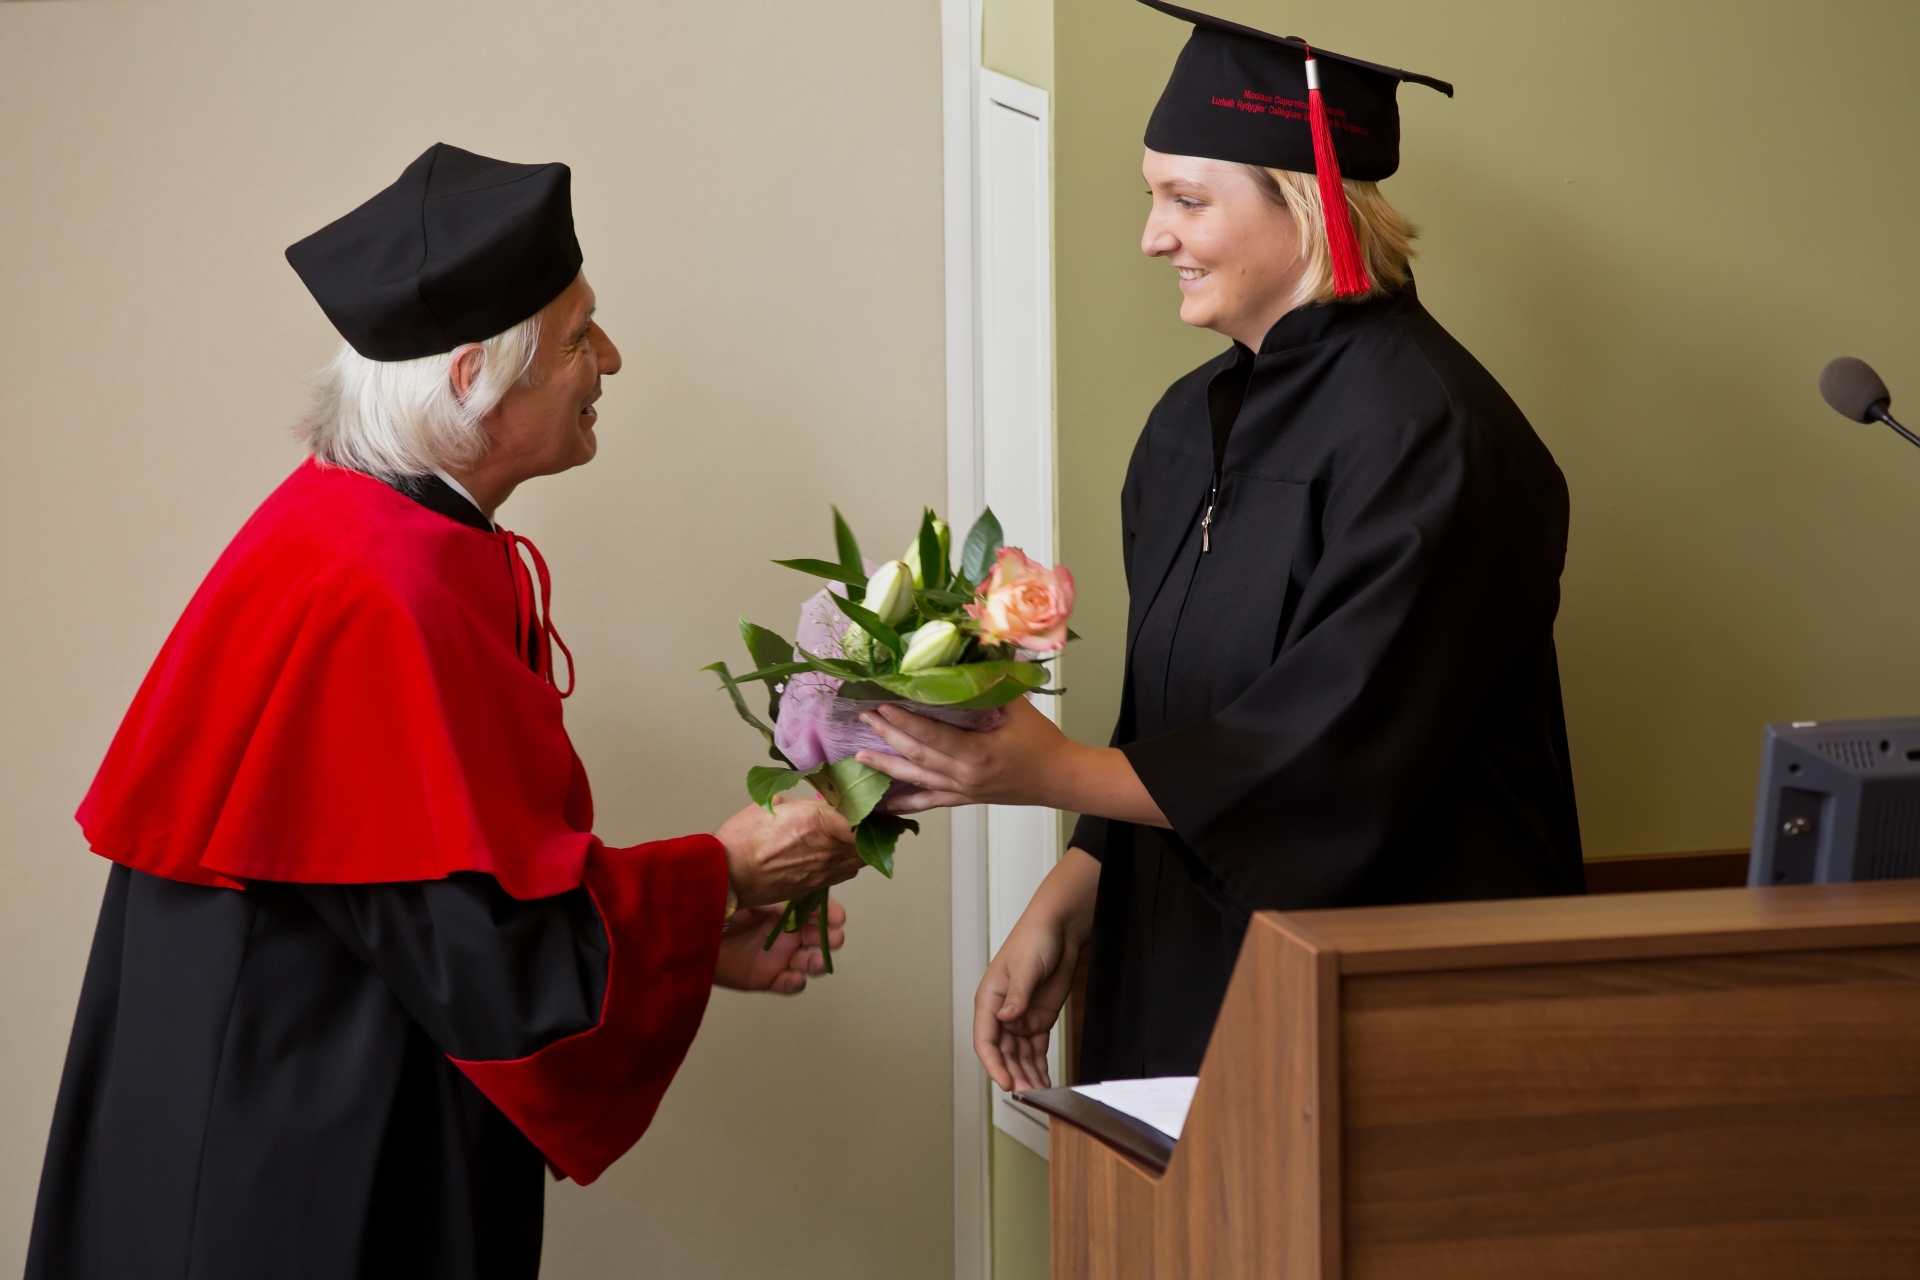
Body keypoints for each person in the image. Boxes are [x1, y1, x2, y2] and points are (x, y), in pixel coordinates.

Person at [26, 143, 866, 1280]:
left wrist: (690, 947)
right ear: (474, 377)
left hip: (282, 1110)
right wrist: (723, 875)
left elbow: (437, 896)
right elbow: (477, 949)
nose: (612, 358)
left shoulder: (359, 528)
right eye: (579, 337)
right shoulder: (381, 593)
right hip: (298, 1172)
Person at [857, 1, 1584, 1092]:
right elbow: (1175, 726)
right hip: (1174, 976)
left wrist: (1048, 771)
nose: (1154, 237)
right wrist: (1073, 895)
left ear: (1310, 203)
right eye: (1153, 197)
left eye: (1187, 200)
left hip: (1382, 1008)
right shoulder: (1183, 429)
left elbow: (1333, 757)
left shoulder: (1437, 438)